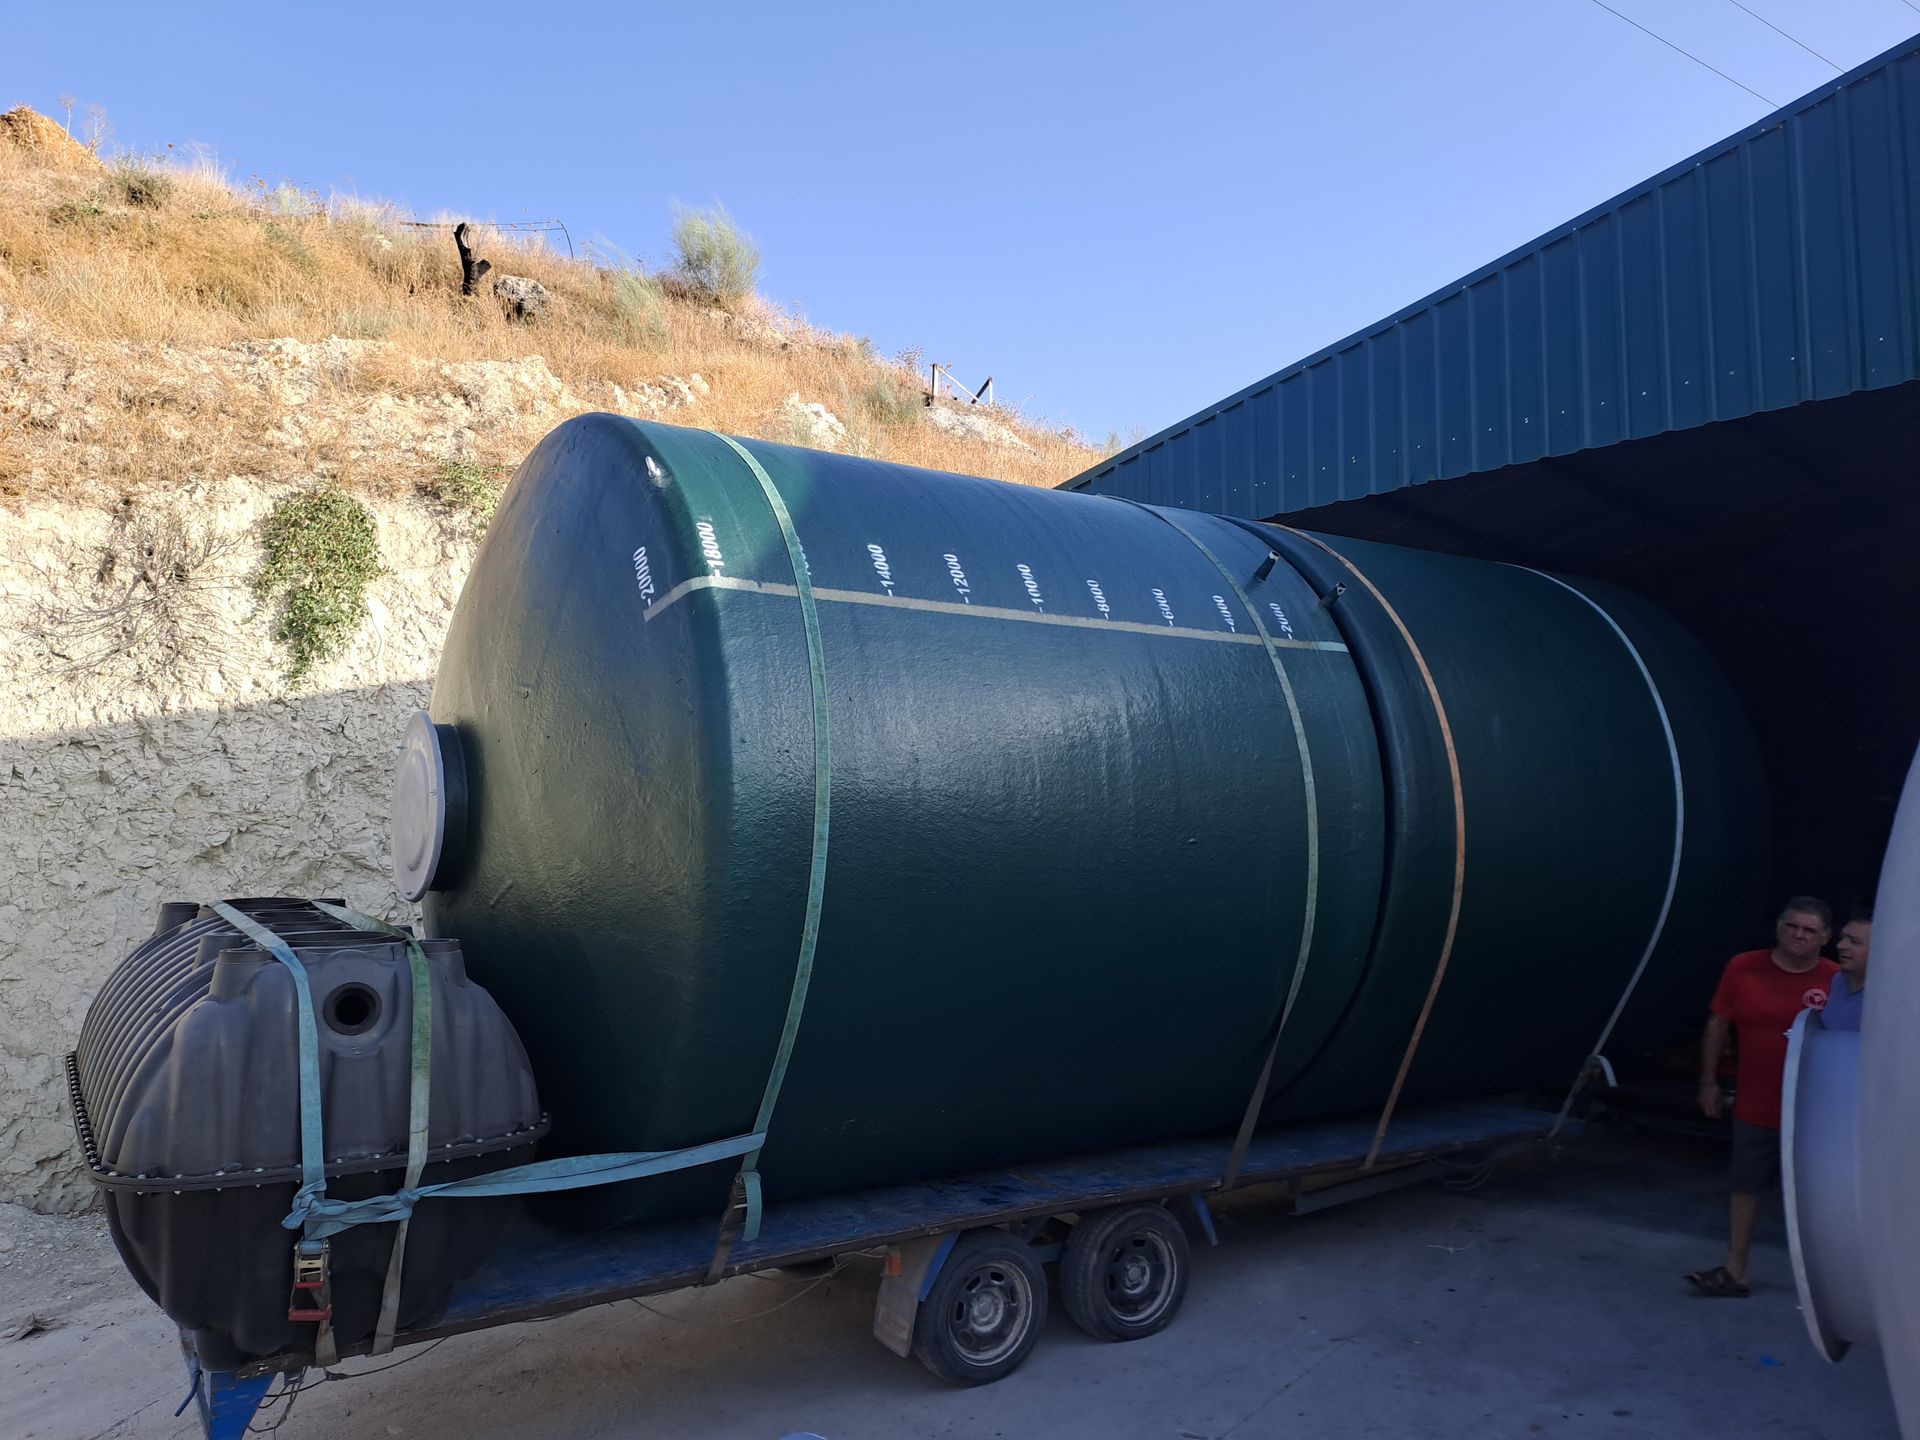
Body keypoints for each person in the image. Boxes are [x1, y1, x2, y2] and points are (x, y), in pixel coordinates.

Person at [1685, 897, 1838, 1298]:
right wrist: (1708, 1081)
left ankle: (1830, 1288)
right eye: (1791, 926)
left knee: (1817, 1197)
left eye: (1809, 930)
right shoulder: (1743, 966)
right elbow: (1718, 1023)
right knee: (1745, 1185)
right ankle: (1736, 1271)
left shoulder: (1838, 979)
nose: (1798, 936)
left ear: (1825, 937)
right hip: (1756, 1101)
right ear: (1778, 926)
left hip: (1815, 1110)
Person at [1821, 908, 1872, 1031]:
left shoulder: (1890, 997)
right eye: (1842, 938)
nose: (1840, 945)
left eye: (1854, 941)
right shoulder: (1838, 980)